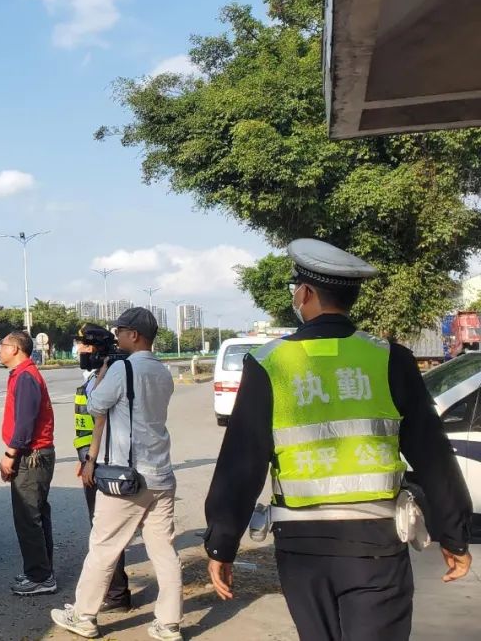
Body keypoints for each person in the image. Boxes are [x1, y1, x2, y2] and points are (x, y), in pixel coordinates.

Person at [203, 238, 473, 641]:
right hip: (376, 545)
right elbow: (432, 455)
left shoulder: (267, 364)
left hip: (301, 548)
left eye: (296, 288)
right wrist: (453, 534)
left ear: (306, 293)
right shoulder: (389, 359)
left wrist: (222, 544)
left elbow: (242, 462)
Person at [51, 308, 183, 641]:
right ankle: (168, 623)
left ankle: (83, 615)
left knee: (103, 546)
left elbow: (95, 405)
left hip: (127, 478)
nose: (117, 336)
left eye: (121, 331)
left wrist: (103, 373)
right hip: (161, 476)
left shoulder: (122, 368)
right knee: (164, 550)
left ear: (134, 335)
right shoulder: (163, 372)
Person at [72, 323, 132, 612]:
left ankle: (117, 593)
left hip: (102, 465)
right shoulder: (94, 377)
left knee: (105, 532)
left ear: (95, 349)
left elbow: (100, 422)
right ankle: (115, 591)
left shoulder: (105, 378)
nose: (79, 350)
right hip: (92, 463)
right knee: (103, 530)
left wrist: (91, 462)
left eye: (83, 345)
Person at [0, 330, 57, 596]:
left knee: (28, 517)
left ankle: (41, 577)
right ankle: (40, 569)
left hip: (31, 456)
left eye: (3, 345)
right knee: (36, 515)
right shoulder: (22, 375)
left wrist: (10, 454)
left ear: (16, 349)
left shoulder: (25, 377)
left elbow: (24, 423)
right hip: (33, 454)